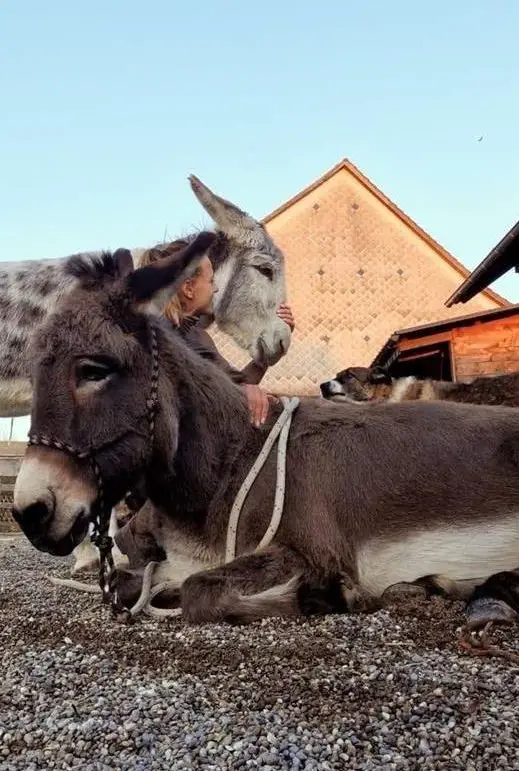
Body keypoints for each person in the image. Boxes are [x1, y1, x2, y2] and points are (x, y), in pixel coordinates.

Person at [140, 240, 295, 428]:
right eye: (211, 281)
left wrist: (267, 352)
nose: (215, 289)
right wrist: (240, 393)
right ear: (188, 288)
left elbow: (236, 386)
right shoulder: (148, 342)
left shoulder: (198, 336)